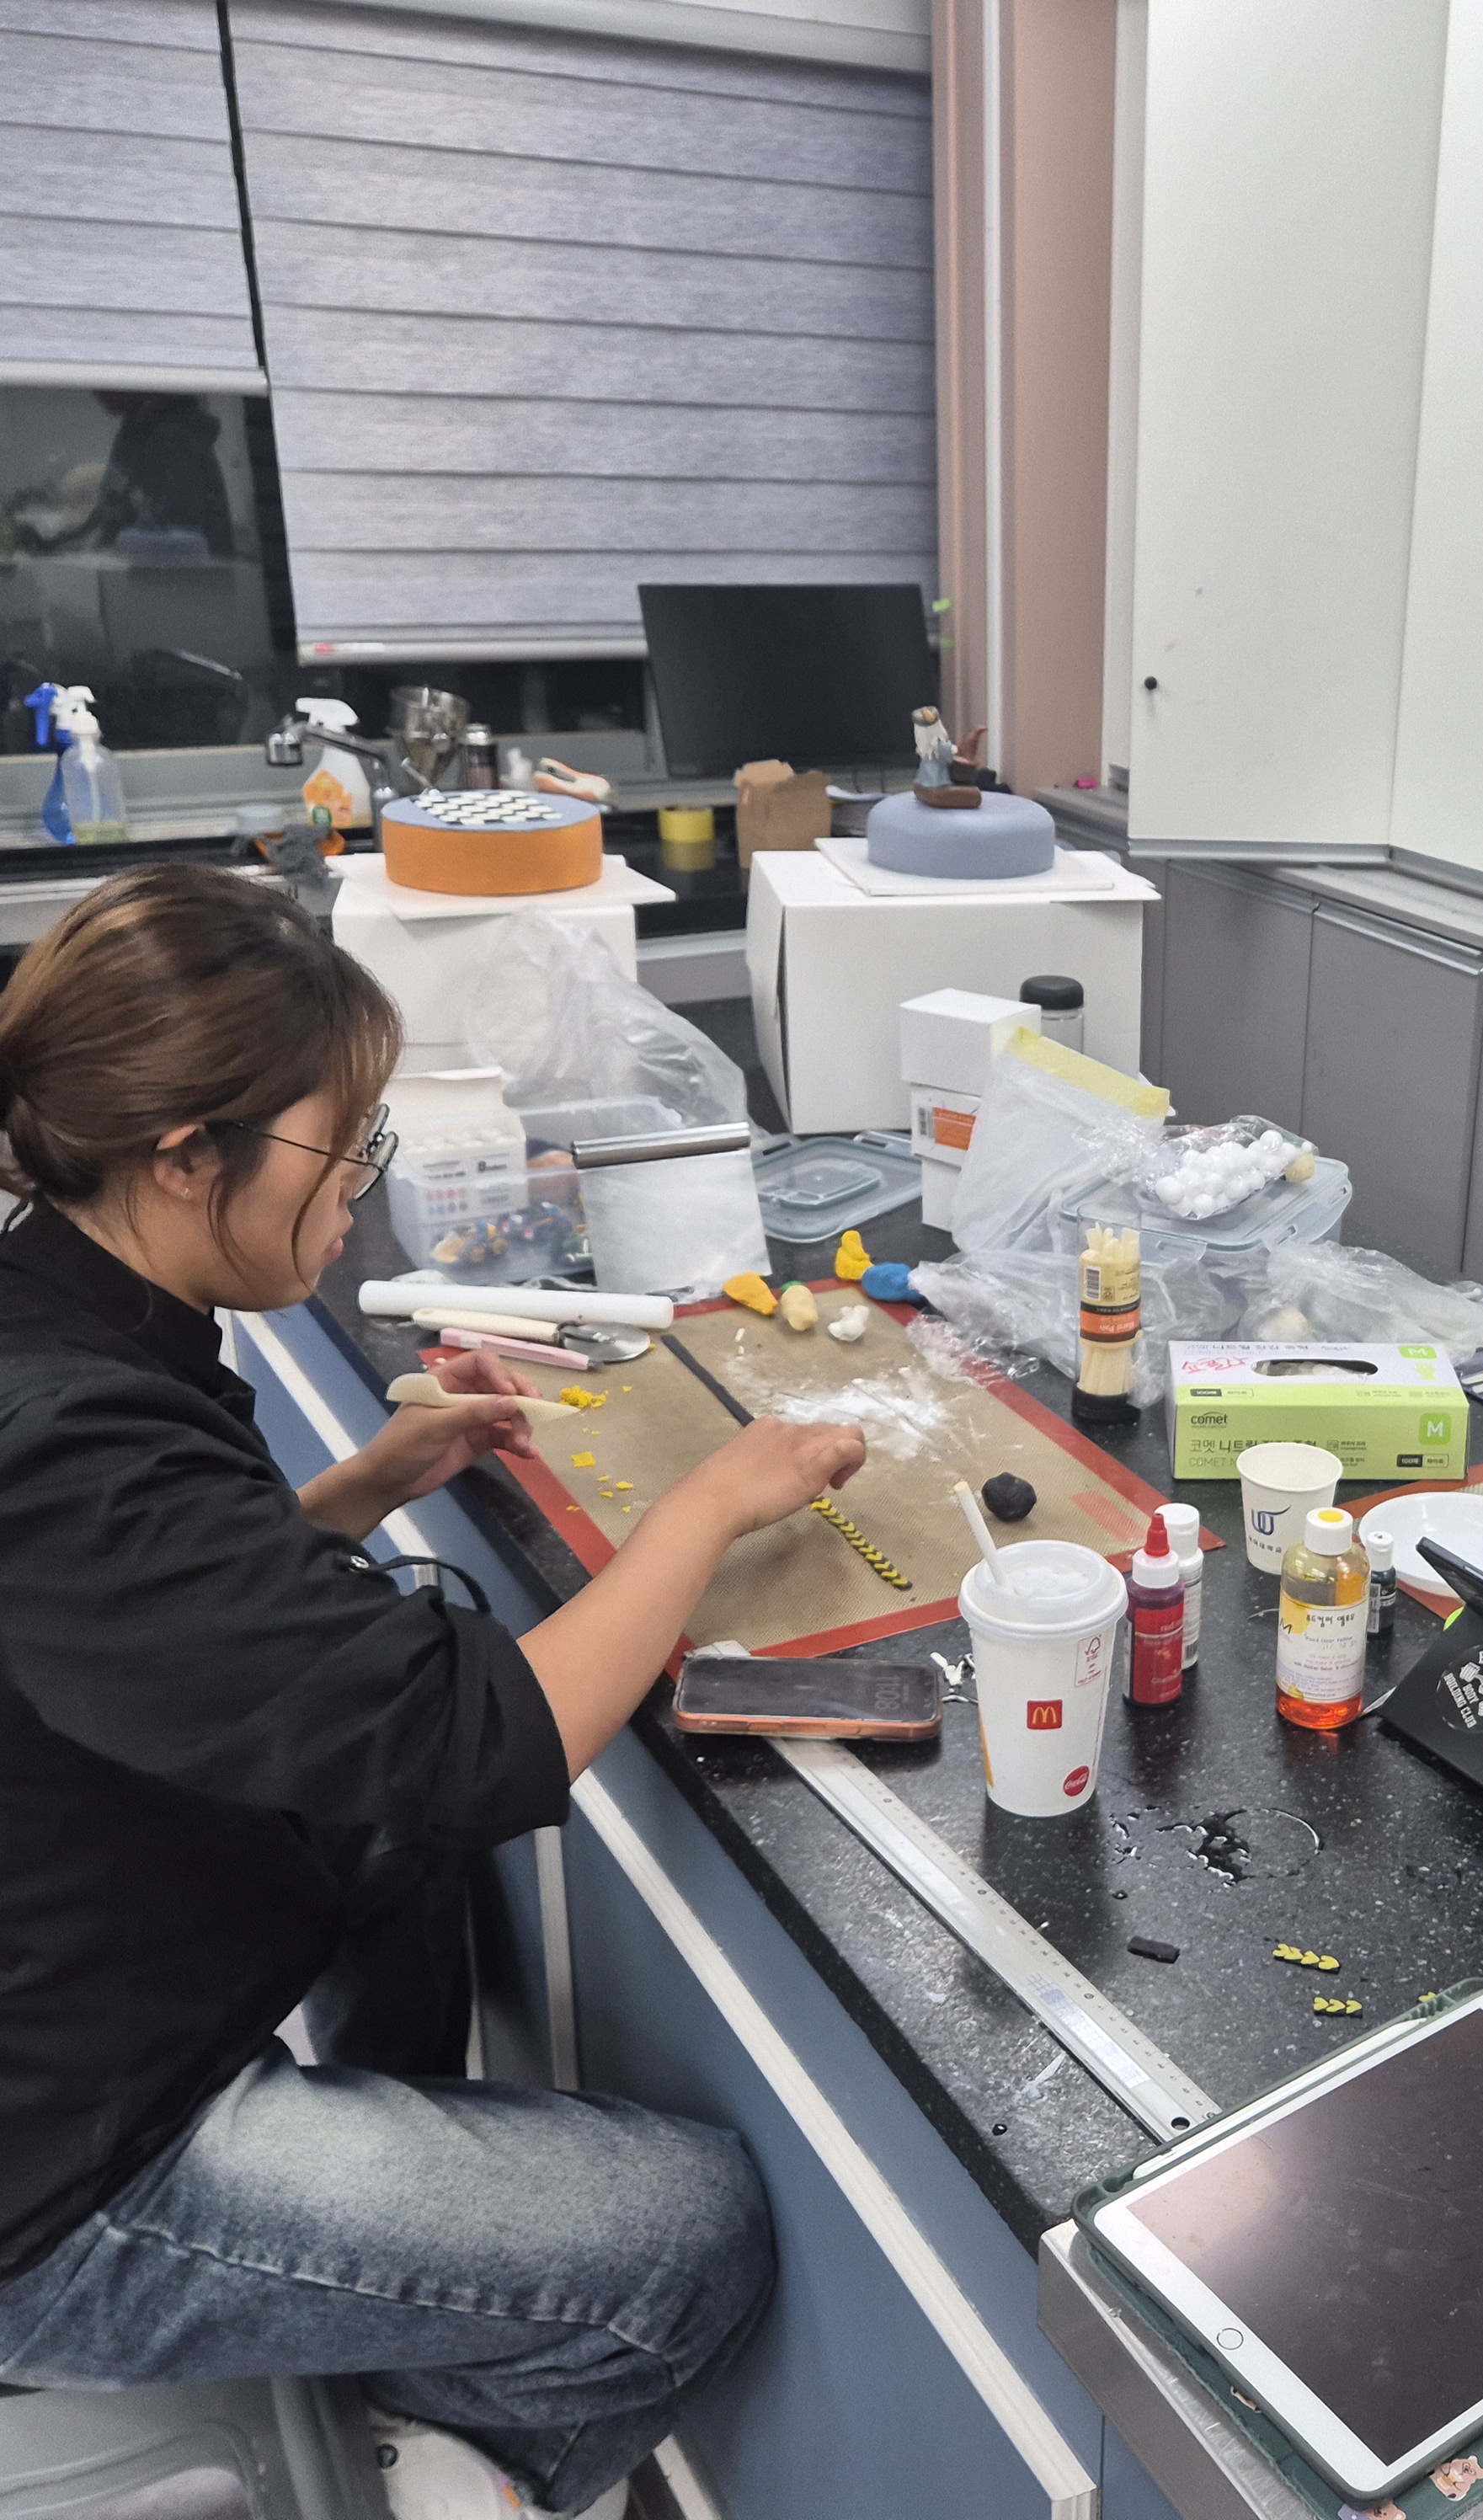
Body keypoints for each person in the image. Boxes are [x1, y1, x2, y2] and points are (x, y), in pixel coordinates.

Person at [0, 868, 867, 2517]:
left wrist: (359, 1490)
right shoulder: (65, 1439)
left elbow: (121, 1620)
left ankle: (391, 2248)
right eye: (346, 1151)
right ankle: (433, 2450)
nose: (363, 1195)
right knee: (683, 2233)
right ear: (183, 1155)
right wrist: (707, 1503)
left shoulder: (62, 1309)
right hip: (64, 2175)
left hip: (85, 1976)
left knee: (398, 1705)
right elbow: (471, 1742)